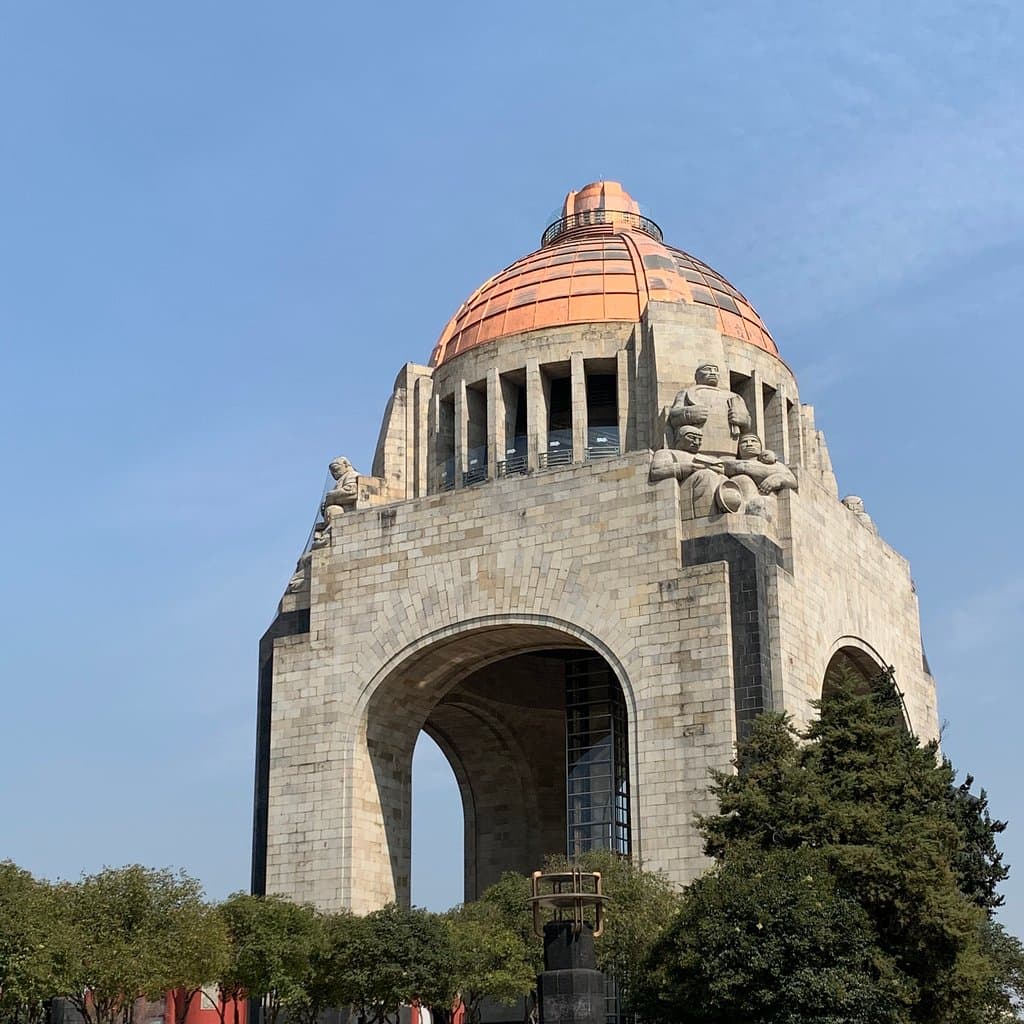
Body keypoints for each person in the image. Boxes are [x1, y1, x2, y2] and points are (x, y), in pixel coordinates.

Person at [650, 425, 742, 517]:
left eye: (699, 439)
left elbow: (721, 468)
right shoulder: (666, 453)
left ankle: (724, 514)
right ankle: (707, 517)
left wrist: (717, 468)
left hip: (709, 483)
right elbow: (657, 471)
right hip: (685, 489)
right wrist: (688, 468)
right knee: (706, 475)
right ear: (679, 438)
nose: (696, 442)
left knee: (723, 478)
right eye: (691, 437)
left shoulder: (705, 457)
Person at [667, 363, 751, 457]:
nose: (712, 373)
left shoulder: (734, 397)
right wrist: (689, 413)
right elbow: (673, 417)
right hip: (696, 450)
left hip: (729, 451)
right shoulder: (686, 392)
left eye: (715, 370)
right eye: (707, 369)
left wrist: (742, 419)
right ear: (697, 376)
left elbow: (748, 424)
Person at [723, 433, 798, 495]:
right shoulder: (732, 464)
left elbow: (793, 481)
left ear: (760, 447)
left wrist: (776, 479)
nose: (749, 444)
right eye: (744, 442)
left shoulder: (774, 465)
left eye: (753, 441)